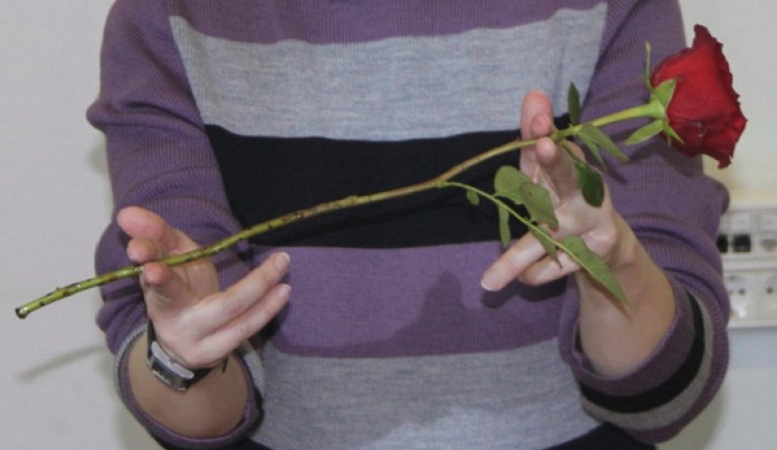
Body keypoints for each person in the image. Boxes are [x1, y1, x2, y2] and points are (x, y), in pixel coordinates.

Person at [88, 0, 730, 449]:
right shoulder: (167, 17)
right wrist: (181, 354)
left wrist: (612, 269)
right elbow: (199, 413)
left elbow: (667, 389)